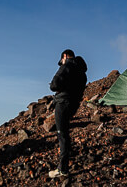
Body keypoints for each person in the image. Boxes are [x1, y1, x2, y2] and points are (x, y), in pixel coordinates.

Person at [48, 49, 88, 179]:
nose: (61, 63)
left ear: (65, 56)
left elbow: (54, 85)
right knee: (65, 133)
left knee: (62, 135)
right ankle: (65, 161)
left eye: (61, 61)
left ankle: (63, 169)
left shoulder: (67, 65)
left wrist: (59, 86)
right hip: (73, 104)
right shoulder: (82, 72)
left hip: (63, 103)